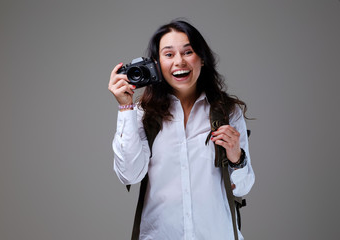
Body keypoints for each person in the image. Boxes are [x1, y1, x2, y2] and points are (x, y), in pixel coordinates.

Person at [108, 19, 255, 240]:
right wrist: (125, 107)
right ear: (157, 64)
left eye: (188, 52)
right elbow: (129, 174)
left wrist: (237, 157)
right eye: (168, 54)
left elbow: (242, 189)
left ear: (202, 59)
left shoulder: (227, 112)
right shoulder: (143, 114)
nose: (179, 61)